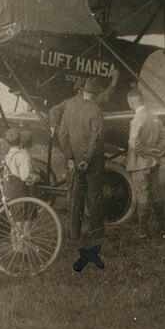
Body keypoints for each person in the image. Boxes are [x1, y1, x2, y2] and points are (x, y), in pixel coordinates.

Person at [58, 77, 107, 243]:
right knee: (94, 196)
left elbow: (62, 135)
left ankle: (73, 234)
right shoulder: (96, 111)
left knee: (75, 196)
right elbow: (96, 139)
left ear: (83, 91)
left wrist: (70, 158)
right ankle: (97, 233)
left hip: (74, 160)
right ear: (95, 94)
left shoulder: (69, 108)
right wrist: (87, 159)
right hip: (92, 161)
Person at [125, 87, 165, 239]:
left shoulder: (137, 119)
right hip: (154, 162)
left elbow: (133, 143)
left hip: (140, 163)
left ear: (132, 103)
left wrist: (146, 152)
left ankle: (143, 232)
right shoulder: (155, 117)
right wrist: (157, 151)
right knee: (156, 194)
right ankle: (162, 228)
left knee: (142, 195)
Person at [3, 128, 40, 252]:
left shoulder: (8, 155)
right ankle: (23, 246)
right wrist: (34, 177)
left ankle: (15, 245)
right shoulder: (21, 157)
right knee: (23, 219)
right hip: (20, 190)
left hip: (10, 190)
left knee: (15, 219)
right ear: (20, 141)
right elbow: (24, 176)